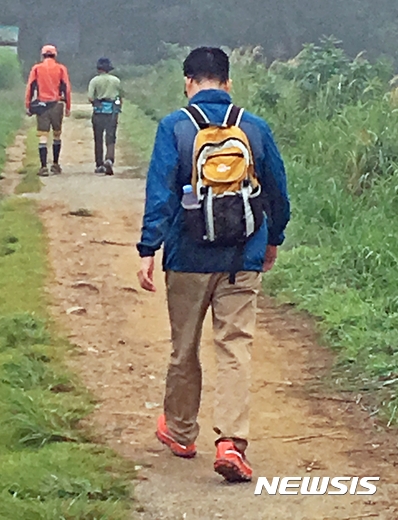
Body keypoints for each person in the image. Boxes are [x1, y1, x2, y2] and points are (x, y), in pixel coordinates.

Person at [136, 47, 290, 483]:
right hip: (243, 256)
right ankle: (231, 444)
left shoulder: (174, 127)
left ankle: (182, 433)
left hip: (186, 258)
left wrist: (149, 248)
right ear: (228, 82)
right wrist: (272, 238)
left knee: (184, 347)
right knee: (235, 345)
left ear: (188, 82)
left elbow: (161, 193)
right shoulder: (254, 127)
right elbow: (278, 192)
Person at [25, 45, 71, 176]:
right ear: (55, 55)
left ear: (42, 55)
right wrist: (68, 106)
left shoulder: (37, 68)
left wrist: (28, 105)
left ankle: (43, 167)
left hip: (42, 105)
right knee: (57, 134)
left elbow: (30, 88)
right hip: (57, 104)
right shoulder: (61, 69)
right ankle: (55, 164)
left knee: (43, 136)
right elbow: (66, 88)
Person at [88, 57, 122, 175]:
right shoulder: (116, 80)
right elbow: (120, 96)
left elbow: (90, 97)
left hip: (98, 112)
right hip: (112, 111)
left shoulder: (94, 81)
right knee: (111, 136)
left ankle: (99, 164)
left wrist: (96, 103)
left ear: (98, 69)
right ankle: (109, 158)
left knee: (98, 138)